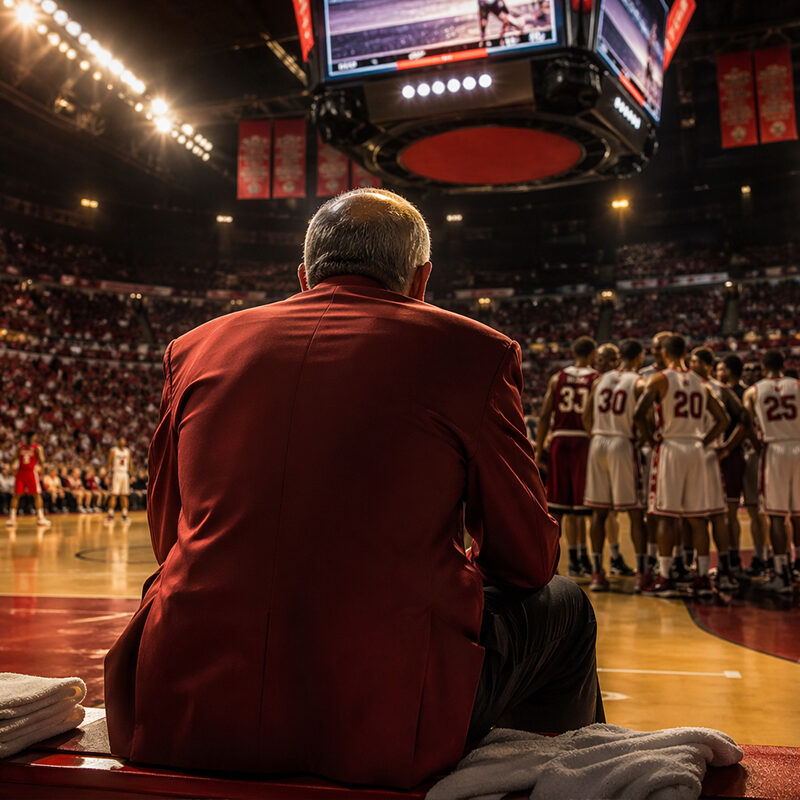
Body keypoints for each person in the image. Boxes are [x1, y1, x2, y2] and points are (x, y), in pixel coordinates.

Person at [104, 189, 603, 788]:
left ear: (303, 275)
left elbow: (167, 538)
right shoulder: (476, 352)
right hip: (380, 719)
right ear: (421, 281)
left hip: (180, 701)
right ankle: (553, 776)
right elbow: (527, 561)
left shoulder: (192, 350)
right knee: (564, 604)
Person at [633, 334, 730, 597]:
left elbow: (639, 413)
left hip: (671, 447)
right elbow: (723, 418)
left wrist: (649, 437)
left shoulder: (660, 379)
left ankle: (664, 577)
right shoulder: (702, 382)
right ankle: (701, 576)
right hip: (697, 449)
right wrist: (705, 440)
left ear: (664, 353)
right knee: (698, 519)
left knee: (665, 515)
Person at [583, 339, 646, 592]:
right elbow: (643, 418)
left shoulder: (600, 381)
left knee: (599, 512)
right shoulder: (639, 382)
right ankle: (642, 574)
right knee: (634, 512)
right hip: (622, 442)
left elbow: (586, 417)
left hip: (598, 441)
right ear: (639, 358)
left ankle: (597, 573)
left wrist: (597, 435)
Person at [535, 336, 598, 579]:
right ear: (592, 354)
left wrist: (540, 448)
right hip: (583, 439)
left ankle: (551, 561)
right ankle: (580, 559)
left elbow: (544, 415)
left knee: (558, 509)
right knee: (581, 509)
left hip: (560, 441)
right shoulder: (595, 378)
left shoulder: (557, 378)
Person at [743, 349, 799, 594]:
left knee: (776, 516)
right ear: (784, 366)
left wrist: (758, 447)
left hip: (774, 449)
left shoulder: (753, 391)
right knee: (798, 514)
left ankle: (781, 572)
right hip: (798, 445)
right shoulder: (797, 385)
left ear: (763, 369)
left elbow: (747, 424)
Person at [6, 431, 51, 527]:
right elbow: (14, 459)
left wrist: (41, 471)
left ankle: (40, 518)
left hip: (31, 472)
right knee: (16, 495)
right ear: (31, 437)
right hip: (21, 472)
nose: (35, 438)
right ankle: (12, 519)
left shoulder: (37, 448)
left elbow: (42, 461)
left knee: (37, 495)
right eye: (34, 437)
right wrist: (12, 469)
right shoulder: (20, 447)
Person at [106, 437, 132, 522]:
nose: (123, 441)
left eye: (124, 440)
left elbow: (130, 463)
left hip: (125, 474)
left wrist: (132, 475)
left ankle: (124, 515)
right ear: (118, 441)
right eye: (121, 440)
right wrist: (107, 475)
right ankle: (110, 515)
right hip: (116, 474)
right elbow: (109, 463)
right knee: (114, 494)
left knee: (124, 495)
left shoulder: (127, 451)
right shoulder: (113, 450)